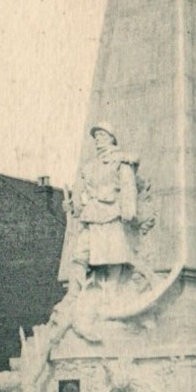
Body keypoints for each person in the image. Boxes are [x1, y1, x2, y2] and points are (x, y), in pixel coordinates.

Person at [65, 124, 147, 293]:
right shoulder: (89, 166)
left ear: (111, 138)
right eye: (96, 136)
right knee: (79, 255)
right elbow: (79, 196)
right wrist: (71, 206)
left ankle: (112, 292)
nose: (97, 140)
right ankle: (74, 294)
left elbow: (128, 186)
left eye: (102, 135)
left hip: (111, 213)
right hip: (91, 215)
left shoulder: (121, 160)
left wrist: (128, 209)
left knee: (114, 256)